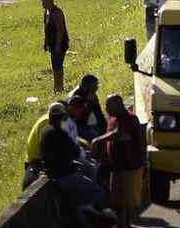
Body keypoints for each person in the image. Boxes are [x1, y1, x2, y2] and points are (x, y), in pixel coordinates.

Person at [41, 102, 104, 226]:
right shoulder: (60, 134)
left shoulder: (45, 131)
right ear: (62, 118)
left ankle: (81, 211)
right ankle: (87, 211)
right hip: (65, 175)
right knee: (97, 191)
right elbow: (74, 151)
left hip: (53, 173)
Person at [94, 94, 147, 228]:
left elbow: (121, 135)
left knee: (123, 204)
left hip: (129, 167)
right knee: (120, 203)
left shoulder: (130, 119)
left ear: (118, 105)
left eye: (108, 106)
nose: (105, 108)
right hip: (117, 167)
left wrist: (98, 140)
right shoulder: (113, 118)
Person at [42, 0, 70, 93]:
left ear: (50, 1)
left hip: (60, 43)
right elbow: (46, 27)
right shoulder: (46, 12)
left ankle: (60, 87)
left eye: (44, 1)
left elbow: (60, 30)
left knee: (58, 65)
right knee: (54, 66)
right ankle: (56, 86)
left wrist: (58, 45)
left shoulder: (57, 12)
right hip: (52, 43)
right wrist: (46, 42)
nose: (42, 3)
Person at [68, 75, 107, 141]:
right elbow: (77, 117)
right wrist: (89, 103)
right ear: (88, 87)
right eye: (94, 86)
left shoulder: (92, 95)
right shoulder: (76, 98)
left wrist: (105, 127)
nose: (96, 88)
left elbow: (98, 113)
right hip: (77, 126)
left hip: (87, 122)